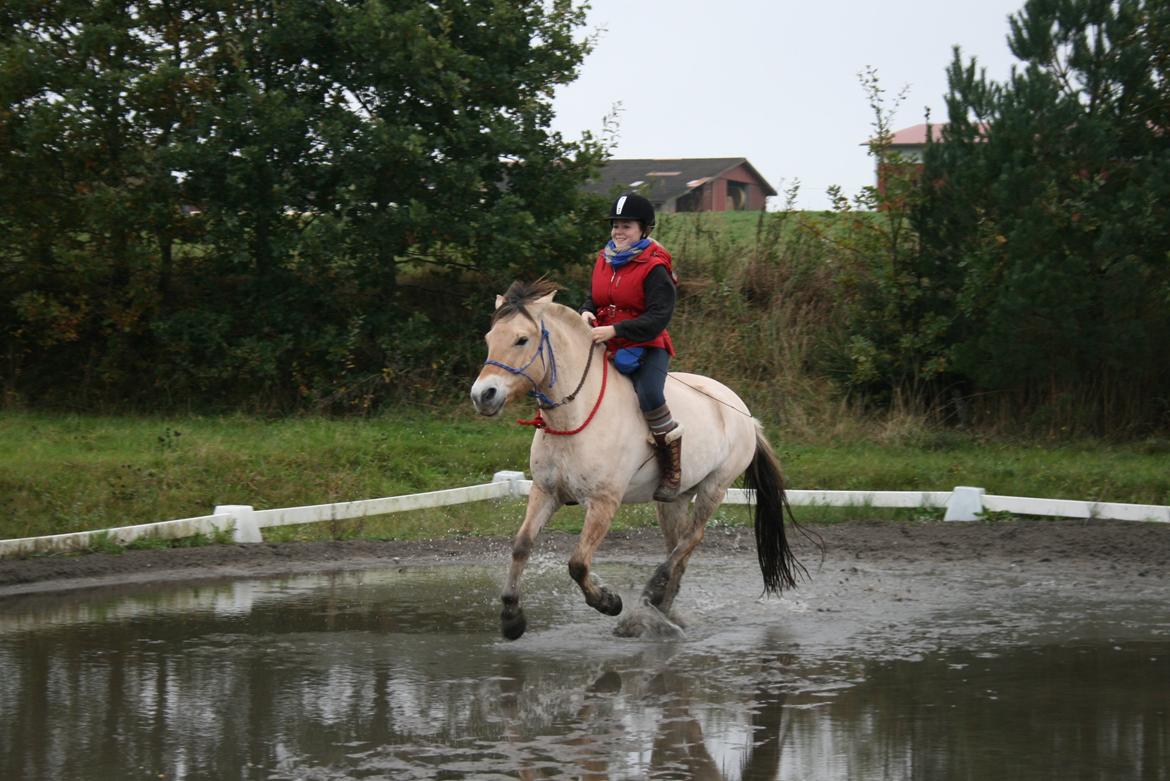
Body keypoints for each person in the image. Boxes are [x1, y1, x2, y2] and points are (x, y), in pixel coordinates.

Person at [579, 192, 682, 501]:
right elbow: (595, 297)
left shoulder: (655, 268)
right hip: (605, 342)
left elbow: (658, 317)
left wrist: (616, 329)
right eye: (615, 225)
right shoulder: (604, 259)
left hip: (648, 345)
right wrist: (586, 309)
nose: (618, 232)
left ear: (643, 229)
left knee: (649, 394)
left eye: (626, 226)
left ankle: (671, 470)